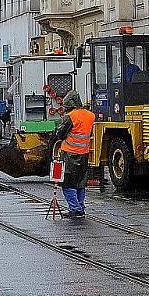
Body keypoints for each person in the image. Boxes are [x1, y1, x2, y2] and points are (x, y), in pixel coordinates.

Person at [55, 90, 96, 218]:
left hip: (70, 154)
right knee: (80, 182)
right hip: (84, 153)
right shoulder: (90, 115)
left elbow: (60, 134)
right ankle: (80, 207)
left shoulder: (70, 117)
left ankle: (75, 209)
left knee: (67, 183)